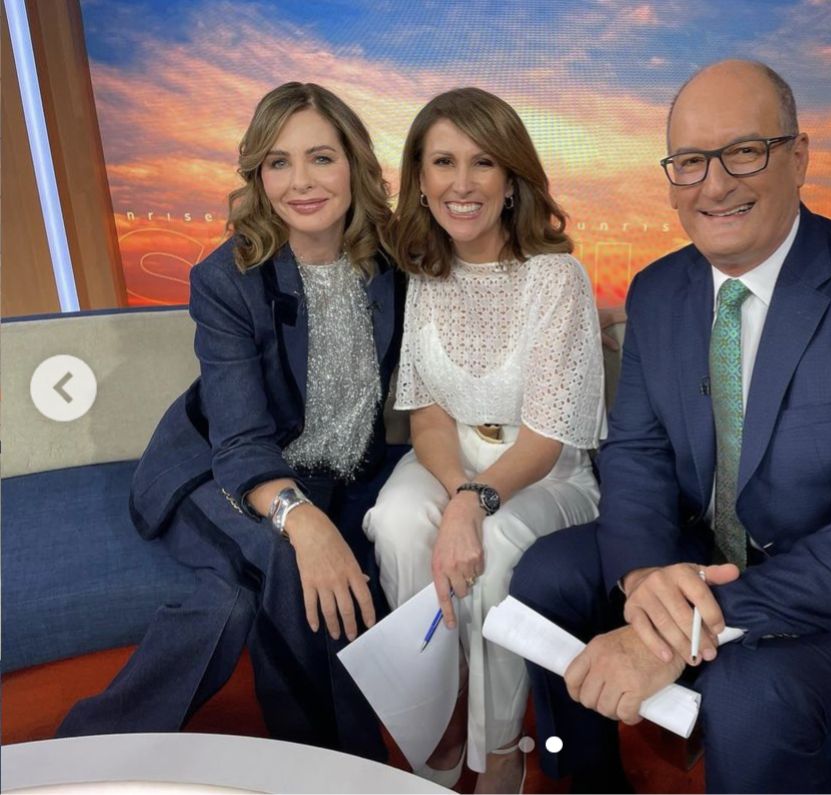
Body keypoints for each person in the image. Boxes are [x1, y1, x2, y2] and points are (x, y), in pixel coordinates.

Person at [510, 59, 831, 793]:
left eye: (744, 151)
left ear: (798, 157)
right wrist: (644, 577)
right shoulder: (658, 291)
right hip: (713, 552)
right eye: (690, 161)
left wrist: (676, 627)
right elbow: (637, 453)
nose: (714, 185)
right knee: (544, 575)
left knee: (750, 691)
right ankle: (586, 777)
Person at [58, 82, 405, 761]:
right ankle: (329, 764)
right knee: (287, 562)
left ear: (355, 164)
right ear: (258, 176)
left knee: (231, 601)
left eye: (321, 158)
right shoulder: (228, 278)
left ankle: (84, 753)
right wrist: (307, 522)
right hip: (215, 467)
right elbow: (241, 440)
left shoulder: (391, 265)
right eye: (278, 162)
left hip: (331, 472)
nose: (300, 182)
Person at [363, 87, 605, 793]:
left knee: (493, 551)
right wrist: (454, 494)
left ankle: (500, 746)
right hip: (449, 457)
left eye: (483, 162)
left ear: (511, 180)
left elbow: (547, 439)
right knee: (399, 521)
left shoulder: (557, 277)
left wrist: (471, 504)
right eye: (443, 162)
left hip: (544, 471)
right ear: (420, 178)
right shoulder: (425, 274)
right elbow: (429, 418)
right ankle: (437, 710)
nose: (461, 183)